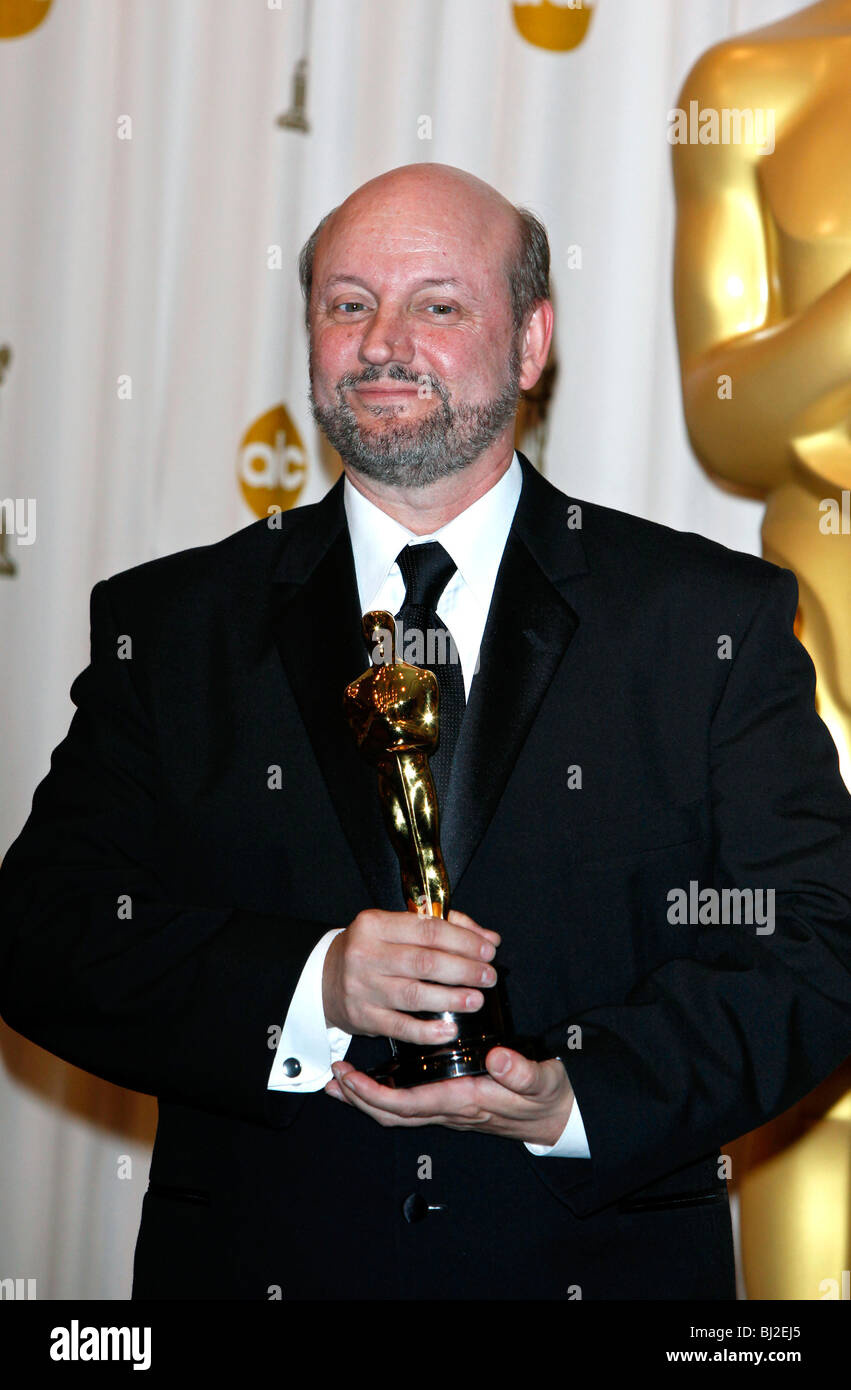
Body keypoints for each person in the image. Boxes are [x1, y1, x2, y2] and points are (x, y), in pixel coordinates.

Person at [1, 162, 850, 1301]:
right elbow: (44, 932)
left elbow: (819, 945)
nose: (383, 342)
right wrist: (313, 983)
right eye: (347, 304)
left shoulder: (702, 620)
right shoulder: (171, 626)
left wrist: (577, 1095)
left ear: (530, 340)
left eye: (437, 304)